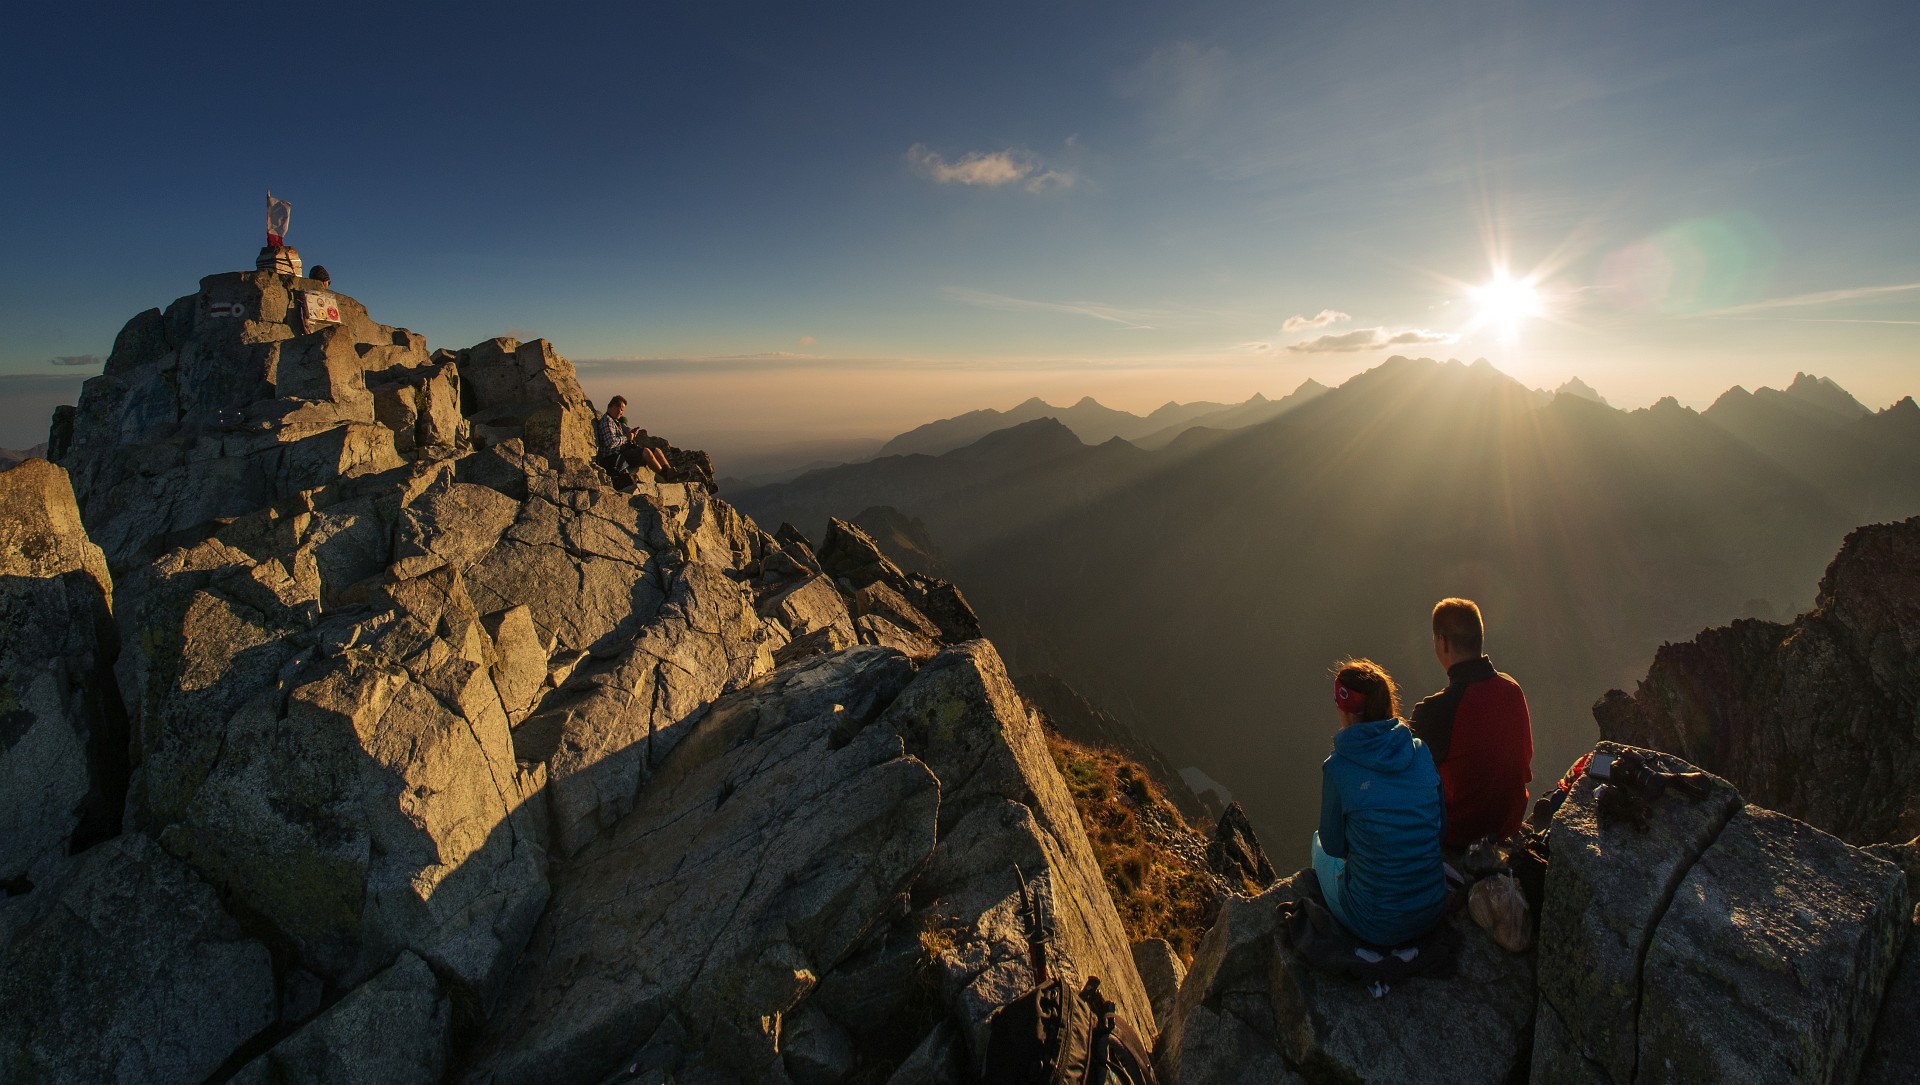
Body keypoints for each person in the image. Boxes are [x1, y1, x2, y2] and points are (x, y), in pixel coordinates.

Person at [1313, 659, 1448, 947]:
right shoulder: (1421, 752)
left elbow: (1334, 845)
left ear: (1344, 708)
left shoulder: (1338, 768)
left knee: (1318, 846)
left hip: (1375, 924)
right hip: (1432, 911)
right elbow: (1440, 828)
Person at [1410, 598, 1534, 848]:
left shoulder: (1434, 711)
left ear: (1442, 642)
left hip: (1460, 833)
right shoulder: (1512, 690)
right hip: (1508, 822)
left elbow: (1409, 778)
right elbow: (1524, 757)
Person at [595, 395, 675, 485]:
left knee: (657, 451)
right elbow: (610, 442)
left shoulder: (613, 421)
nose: (622, 413)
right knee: (646, 452)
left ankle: (670, 472)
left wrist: (630, 434)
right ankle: (665, 476)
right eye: (621, 409)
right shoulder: (607, 421)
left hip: (621, 453)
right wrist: (627, 438)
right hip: (614, 458)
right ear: (613, 407)